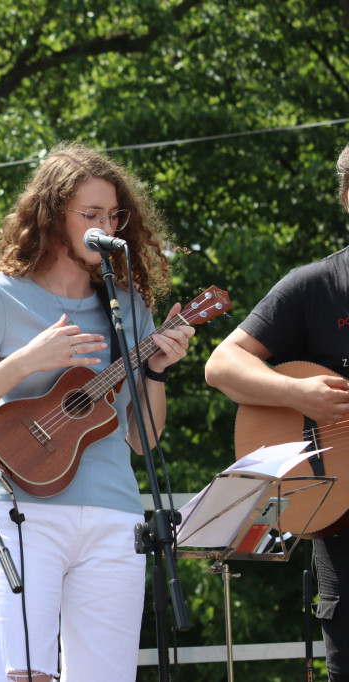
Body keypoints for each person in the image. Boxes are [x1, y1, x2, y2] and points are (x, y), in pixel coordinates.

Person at [0, 141, 194, 681]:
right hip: (25, 514)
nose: (106, 226)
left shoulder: (127, 305)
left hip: (116, 517)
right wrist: (26, 361)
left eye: (113, 215)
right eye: (90, 215)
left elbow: (144, 439)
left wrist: (158, 371)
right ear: (51, 216)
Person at [204, 140, 349, 681]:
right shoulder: (314, 286)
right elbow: (221, 365)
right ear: (346, 196)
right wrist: (299, 396)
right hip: (341, 532)